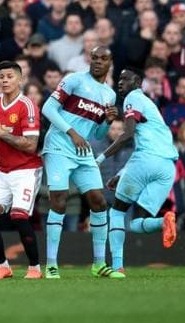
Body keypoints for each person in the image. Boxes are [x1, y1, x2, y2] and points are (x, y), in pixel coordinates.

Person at [40, 46, 121, 279]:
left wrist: (107, 121)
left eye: (103, 58)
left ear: (110, 62)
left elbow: (97, 133)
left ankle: (98, 264)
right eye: (94, 58)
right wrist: (72, 132)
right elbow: (48, 108)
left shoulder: (109, 94)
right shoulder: (74, 80)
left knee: (98, 201)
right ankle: (51, 264)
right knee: (59, 200)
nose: (97, 62)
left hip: (82, 149)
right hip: (59, 145)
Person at [99, 70, 179, 278]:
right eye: (119, 80)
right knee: (136, 223)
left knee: (116, 213)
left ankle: (118, 267)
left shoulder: (133, 98)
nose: (120, 83)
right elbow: (141, 145)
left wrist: (99, 159)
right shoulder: (149, 106)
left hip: (146, 161)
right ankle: (164, 222)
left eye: (125, 80)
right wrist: (122, 173)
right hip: (167, 167)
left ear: (138, 83)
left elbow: (128, 134)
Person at [0, 61, 43, 280]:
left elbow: (31, 145)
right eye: (2, 77)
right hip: (2, 171)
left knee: (19, 216)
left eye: (10, 76)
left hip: (26, 170)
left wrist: (2, 134)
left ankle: (35, 268)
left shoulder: (28, 106)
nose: (5, 80)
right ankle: (3, 266)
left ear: (20, 79)